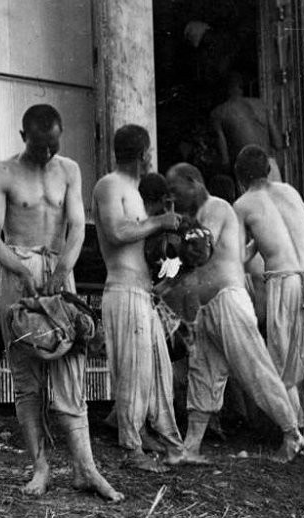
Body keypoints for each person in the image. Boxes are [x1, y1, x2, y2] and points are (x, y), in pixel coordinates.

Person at [0, 104, 122, 501]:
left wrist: (62, 271)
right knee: (27, 378)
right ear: (23, 135)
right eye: (40, 146)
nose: (47, 153)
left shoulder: (69, 170)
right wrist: (22, 271)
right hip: (17, 267)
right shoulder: (3, 173)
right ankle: (40, 467)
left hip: (60, 265)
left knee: (71, 369)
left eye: (53, 145)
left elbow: (78, 225)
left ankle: (86, 468)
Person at [162, 163, 304, 464]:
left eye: (176, 191)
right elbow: (191, 265)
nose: (174, 199)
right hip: (208, 307)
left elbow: (202, 247)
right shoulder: (194, 218)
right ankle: (191, 447)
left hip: (229, 300)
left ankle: (293, 435)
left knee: (256, 369)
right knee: (202, 374)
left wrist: (170, 237)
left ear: (194, 181)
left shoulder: (216, 207)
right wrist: (163, 285)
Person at [92, 124, 185, 472]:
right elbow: (117, 233)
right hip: (122, 289)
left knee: (156, 371)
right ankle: (131, 449)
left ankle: (150, 435)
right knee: (132, 372)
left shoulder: (137, 189)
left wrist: (173, 263)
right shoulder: (109, 185)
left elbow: (149, 246)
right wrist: (161, 220)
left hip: (143, 293)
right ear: (144, 152)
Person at [233, 145, 304, 421]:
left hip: (285, 280)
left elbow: (238, 255)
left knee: (283, 362)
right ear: (268, 171)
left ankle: (295, 433)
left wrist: (259, 242)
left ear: (240, 177)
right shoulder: (290, 191)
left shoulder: (243, 204)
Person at [211, 72, 284, 182]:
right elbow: (278, 144)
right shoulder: (262, 105)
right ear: (242, 87)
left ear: (226, 89)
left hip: (248, 171)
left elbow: (225, 160)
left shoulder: (219, 113)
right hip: (269, 167)